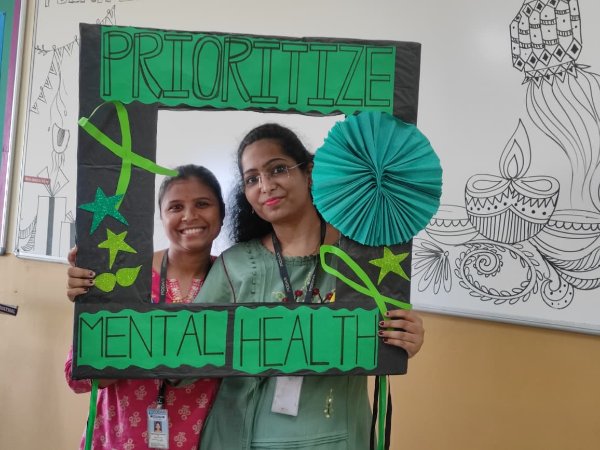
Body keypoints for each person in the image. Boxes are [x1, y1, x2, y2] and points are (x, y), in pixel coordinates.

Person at [193, 123, 425, 449]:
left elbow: (383, 336)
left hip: (339, 437)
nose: (266, 186)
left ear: (310, 172)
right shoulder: (237, 265)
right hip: (242, 438)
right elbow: (188, 347)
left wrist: (405, 336)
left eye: (278, 169)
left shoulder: (363, 259)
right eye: (252, 179)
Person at [65, 164, 224, 450]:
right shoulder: (124, 275)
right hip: (119, 439)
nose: (189, 215)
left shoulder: (235, 279)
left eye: (202, 204)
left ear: (222, 214)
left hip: (201, 441)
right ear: (161, 217)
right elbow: (76, 377)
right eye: (175, 207)